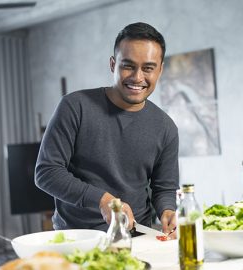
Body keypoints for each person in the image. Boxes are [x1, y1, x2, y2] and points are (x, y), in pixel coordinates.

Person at [35, 22, 179, 239]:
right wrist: (103, 201)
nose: (138, 77)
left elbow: (164, 188)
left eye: (148, 68)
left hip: (137, 238)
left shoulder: (166, 127)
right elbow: (47, 172)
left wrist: (168, 210)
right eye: (128, 65)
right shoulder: (75, 106)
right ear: (113, 64)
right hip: (78, 239)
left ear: (160, 70)